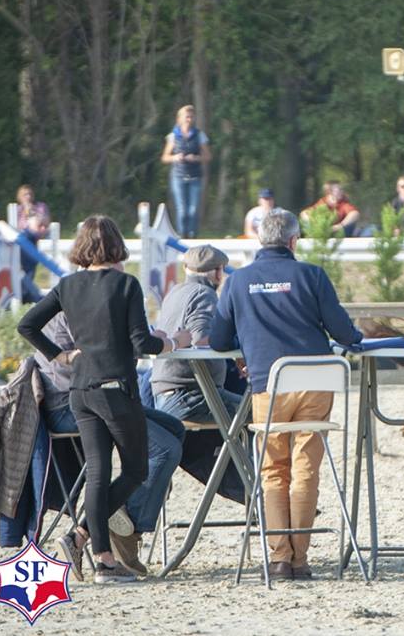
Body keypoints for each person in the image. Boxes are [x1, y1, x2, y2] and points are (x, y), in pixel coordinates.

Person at [17, 215, 191, 584]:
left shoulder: (67, 285)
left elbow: (27, 325)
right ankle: (84, 538)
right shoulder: (125, 285)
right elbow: (143, 344)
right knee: (135, 470)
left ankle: (100, 554)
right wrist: (176, 342)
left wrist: (60, 355)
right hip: (115, 389)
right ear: (116, 246)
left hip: (80, 390)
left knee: (98, 473)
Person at [210, 209, 362, 581]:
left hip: (268, 383)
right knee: (306, 468)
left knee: (272, 470)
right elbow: (344, 333)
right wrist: (355, 338)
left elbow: (217, 341)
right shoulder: (312, 275)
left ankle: (279, 557)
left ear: (260, 240)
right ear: (294, 241)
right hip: (314, 380)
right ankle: (300, 559)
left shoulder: (237, 281)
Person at [34, 313, 184, 580]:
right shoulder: (81, 304)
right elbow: (114, 356)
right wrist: (167, 341)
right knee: (164, 449)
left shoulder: (83, 297)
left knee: (174, 428)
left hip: (90, 396)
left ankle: (120, 514)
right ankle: (124, 530)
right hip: (76, 403)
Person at [151, 245, 242, 423]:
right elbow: (201, 340)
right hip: (191, 396)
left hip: (165, 393)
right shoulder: (204, 294)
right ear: (217, 272)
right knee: (262, 412)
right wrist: (236, 345)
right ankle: (248, 452)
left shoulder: (174, 292)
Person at [160, 105, 211, 238]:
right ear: (180, 119)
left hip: (195, 176)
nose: (189, 119)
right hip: (178, 175)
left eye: (191, 117)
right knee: (182, 210)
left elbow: (208, 156)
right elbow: (165, 157)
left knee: (193, 209)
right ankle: (183, 235)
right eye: (186, 116)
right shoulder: (173, 136)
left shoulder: (199, 135)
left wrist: (196, 158)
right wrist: (175, 157)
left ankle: (193, 236)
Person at [19, 210, 50, 304]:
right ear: (31, 225)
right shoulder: (25, 239)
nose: (43, 229)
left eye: (45, 226)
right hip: (21, 281)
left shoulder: (32, 239)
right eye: (40, 226)